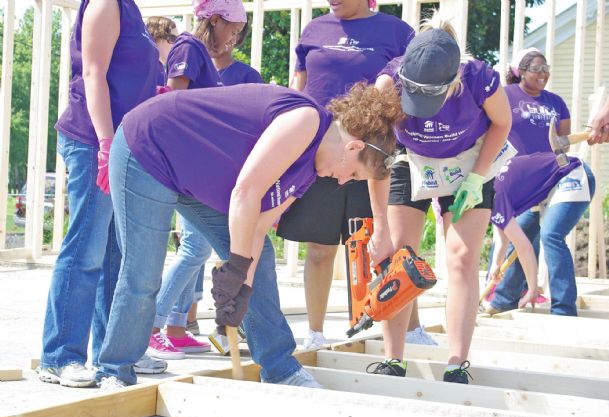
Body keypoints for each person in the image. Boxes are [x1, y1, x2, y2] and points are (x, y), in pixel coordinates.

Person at [95, 82, 403, 390]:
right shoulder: (305, 121)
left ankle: (280, 368)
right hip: (148, 147)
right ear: (354, 147)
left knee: (262, 254)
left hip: (188, 174)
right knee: (143, 270)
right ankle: (115, 370)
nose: (342, 181)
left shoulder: (309, 172)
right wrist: (237, 267)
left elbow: (256, 228)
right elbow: (246, 192)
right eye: (352, 174)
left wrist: (240, 292)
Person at [371, 15, 512, 382]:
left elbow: (501, 123)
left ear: (455, 79)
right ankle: (393, 359)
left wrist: (478, 177)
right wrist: (380, 226)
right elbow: (377, 158)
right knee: (400, 256)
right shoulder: (388, 82)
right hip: (409, 159)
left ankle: (456, 363)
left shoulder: (480, 78)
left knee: (462, 257)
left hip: (468, 161)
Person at [38, 0, 164, 387]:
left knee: (114, 253)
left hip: (123, 144)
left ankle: (113, 355)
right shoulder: (106, 3)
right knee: (85, 249)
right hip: (95, 142)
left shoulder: (130, 8)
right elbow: (94, 74)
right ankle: (59, 357)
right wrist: (106, 144)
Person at [276, 0, 415, 350]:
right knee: (320, 248)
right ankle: (315, 332)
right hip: (321, 150)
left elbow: (411, 91)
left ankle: (408, 330)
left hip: (371, 154)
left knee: (384, 246)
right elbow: (299, 86)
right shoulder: (314, 29)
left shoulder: (397, 31)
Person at [146, 0, 247, 359]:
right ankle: (154, 325)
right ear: (216, 20)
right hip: (187, 167)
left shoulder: (199, 53)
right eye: (233, 30)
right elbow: (173, 103)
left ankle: (173, 325)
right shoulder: (188, 47)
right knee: (197, 249)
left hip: (197, 165)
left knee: (199, 249)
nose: (234, 39)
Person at [184, 19, 264, 340]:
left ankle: (227, 322)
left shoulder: (247, 77)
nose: (229, 39)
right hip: (195, 169)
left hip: (231, 174)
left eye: (235, 35)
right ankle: (181, 318)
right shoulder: (193, 65)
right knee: (192, 248)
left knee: (228, 249)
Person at [483, 48, 571, 308]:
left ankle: (522, 289)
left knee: (530, 236)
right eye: (536, 68)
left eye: (546, 68)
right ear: (520, 71)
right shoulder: (506, 95)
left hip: (546, 177)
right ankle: (497, 290)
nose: (543, 73)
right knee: (510, 236)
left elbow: (564, 140)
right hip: (513, 177)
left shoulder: (556, 102)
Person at [488, 152, 595, 316]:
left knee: (551, 235)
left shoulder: (495, 199)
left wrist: (532, 289)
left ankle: (563, 310)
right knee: (521, 233)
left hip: (572, 172)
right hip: (548, 189)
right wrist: (496, 264)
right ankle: (504, 303)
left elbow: (525, 248)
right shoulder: (492, 190)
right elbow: (502, 238)